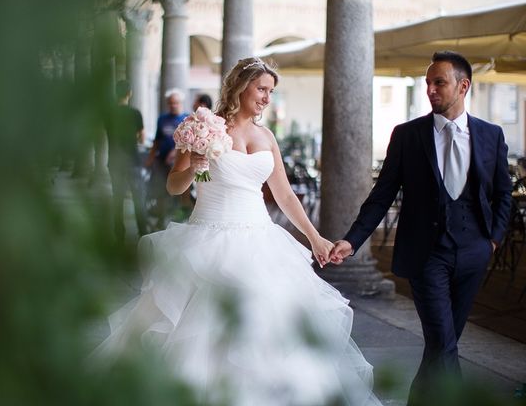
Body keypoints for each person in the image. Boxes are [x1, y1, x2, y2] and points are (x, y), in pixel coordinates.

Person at [95, 58, 382, 405]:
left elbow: (285, 194)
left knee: (268, 327)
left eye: (271, 92)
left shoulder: (266, 136)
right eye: (261, 89)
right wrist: (193, 168)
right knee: (204, 329)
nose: (266, 98)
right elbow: (174, 186)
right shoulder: (202, 126)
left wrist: (314, 237)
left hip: (261, 240)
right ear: (240, 86)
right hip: (207, 238)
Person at [330, 51, 512, 405]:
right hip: (427, 254)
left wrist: (493, 239)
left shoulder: (491, 135)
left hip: (474, 253)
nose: (430, 90)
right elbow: (381, 196)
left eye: (438, 83)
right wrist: (353, 241)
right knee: (443, 342)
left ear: (463, 86)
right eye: (427, 83)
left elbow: (503, 192)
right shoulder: (408, 135)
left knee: (441, 346)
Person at [105, 80, 148, 245]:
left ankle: (119, 233)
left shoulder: (109, 113)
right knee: (138, 198)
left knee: (118, 198)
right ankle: (143, 232)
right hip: (132, 160)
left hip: (115, 160)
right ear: (130, 93)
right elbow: (142, 137)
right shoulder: (135, 113)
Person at [145, 89, 188, 228]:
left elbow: (188, 143)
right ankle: (161, 217)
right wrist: (151, 157)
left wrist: (174, 153)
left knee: (176, 192)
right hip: (161, 162)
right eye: (170, 103)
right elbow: (157, 140)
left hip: (178, 163)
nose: (173, 105)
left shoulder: (187, 119)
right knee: (160, 190)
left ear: (181, 103)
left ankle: (175, 218)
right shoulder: (162, 119)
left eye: (175, 103)